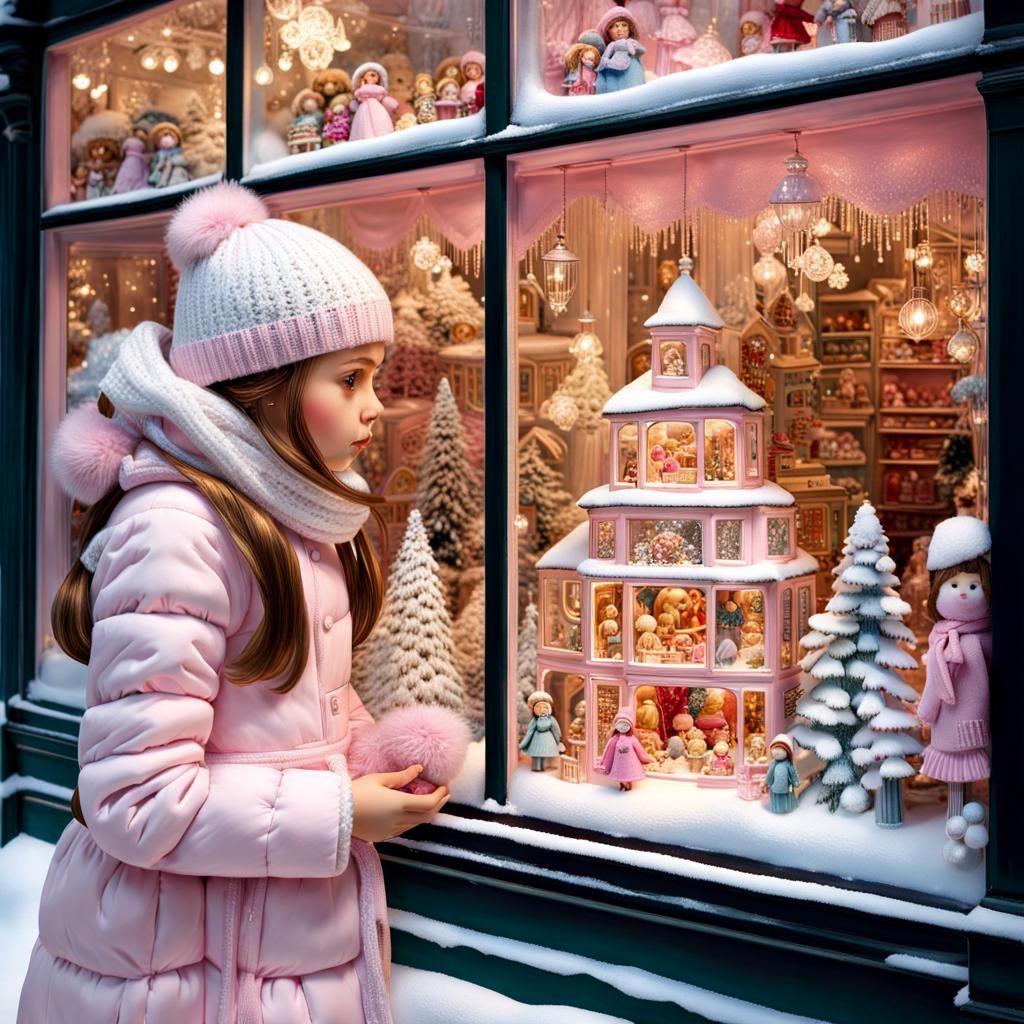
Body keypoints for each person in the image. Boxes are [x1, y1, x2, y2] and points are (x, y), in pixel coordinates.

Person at [18, 182, 466, 1023]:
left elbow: (286, 702)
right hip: (177, 965)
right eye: (351, 377)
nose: (377, 403)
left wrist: (372, 751)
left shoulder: (294, 516)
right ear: (264, 385)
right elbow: (135, 800)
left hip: (268, 945)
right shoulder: (179, 531)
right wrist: (338, 810)